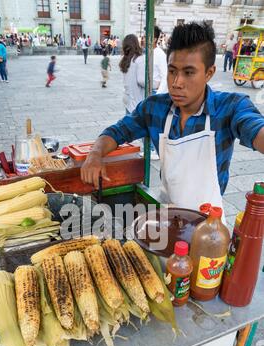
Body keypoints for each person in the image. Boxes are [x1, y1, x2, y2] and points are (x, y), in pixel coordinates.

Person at [80, 21, 264, 215]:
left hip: (209, 226)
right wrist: (95, 154)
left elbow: (254, 127)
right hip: (167, 218)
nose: (176, 83)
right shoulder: (154, 108)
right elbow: (117, 132)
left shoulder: (230, 108)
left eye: (189, 73)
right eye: (172, 71)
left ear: (209, 73)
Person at [137, 25, 168, 160]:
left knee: (154, 122)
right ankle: (148, 148)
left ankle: (155, 150)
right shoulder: (148, 52)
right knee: (146, 121)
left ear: (154, 38)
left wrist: (158, 96)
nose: (142, 39)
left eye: (145, 36)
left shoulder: (160, 54)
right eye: (142, 36)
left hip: (155, 92)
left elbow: (165, 76)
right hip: (147, 91)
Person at [119, 34, 145, 114]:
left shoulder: (125, 59)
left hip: (127, 96)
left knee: (128, 121)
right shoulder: (139, 59)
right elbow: (141, 81)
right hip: (136, 98)